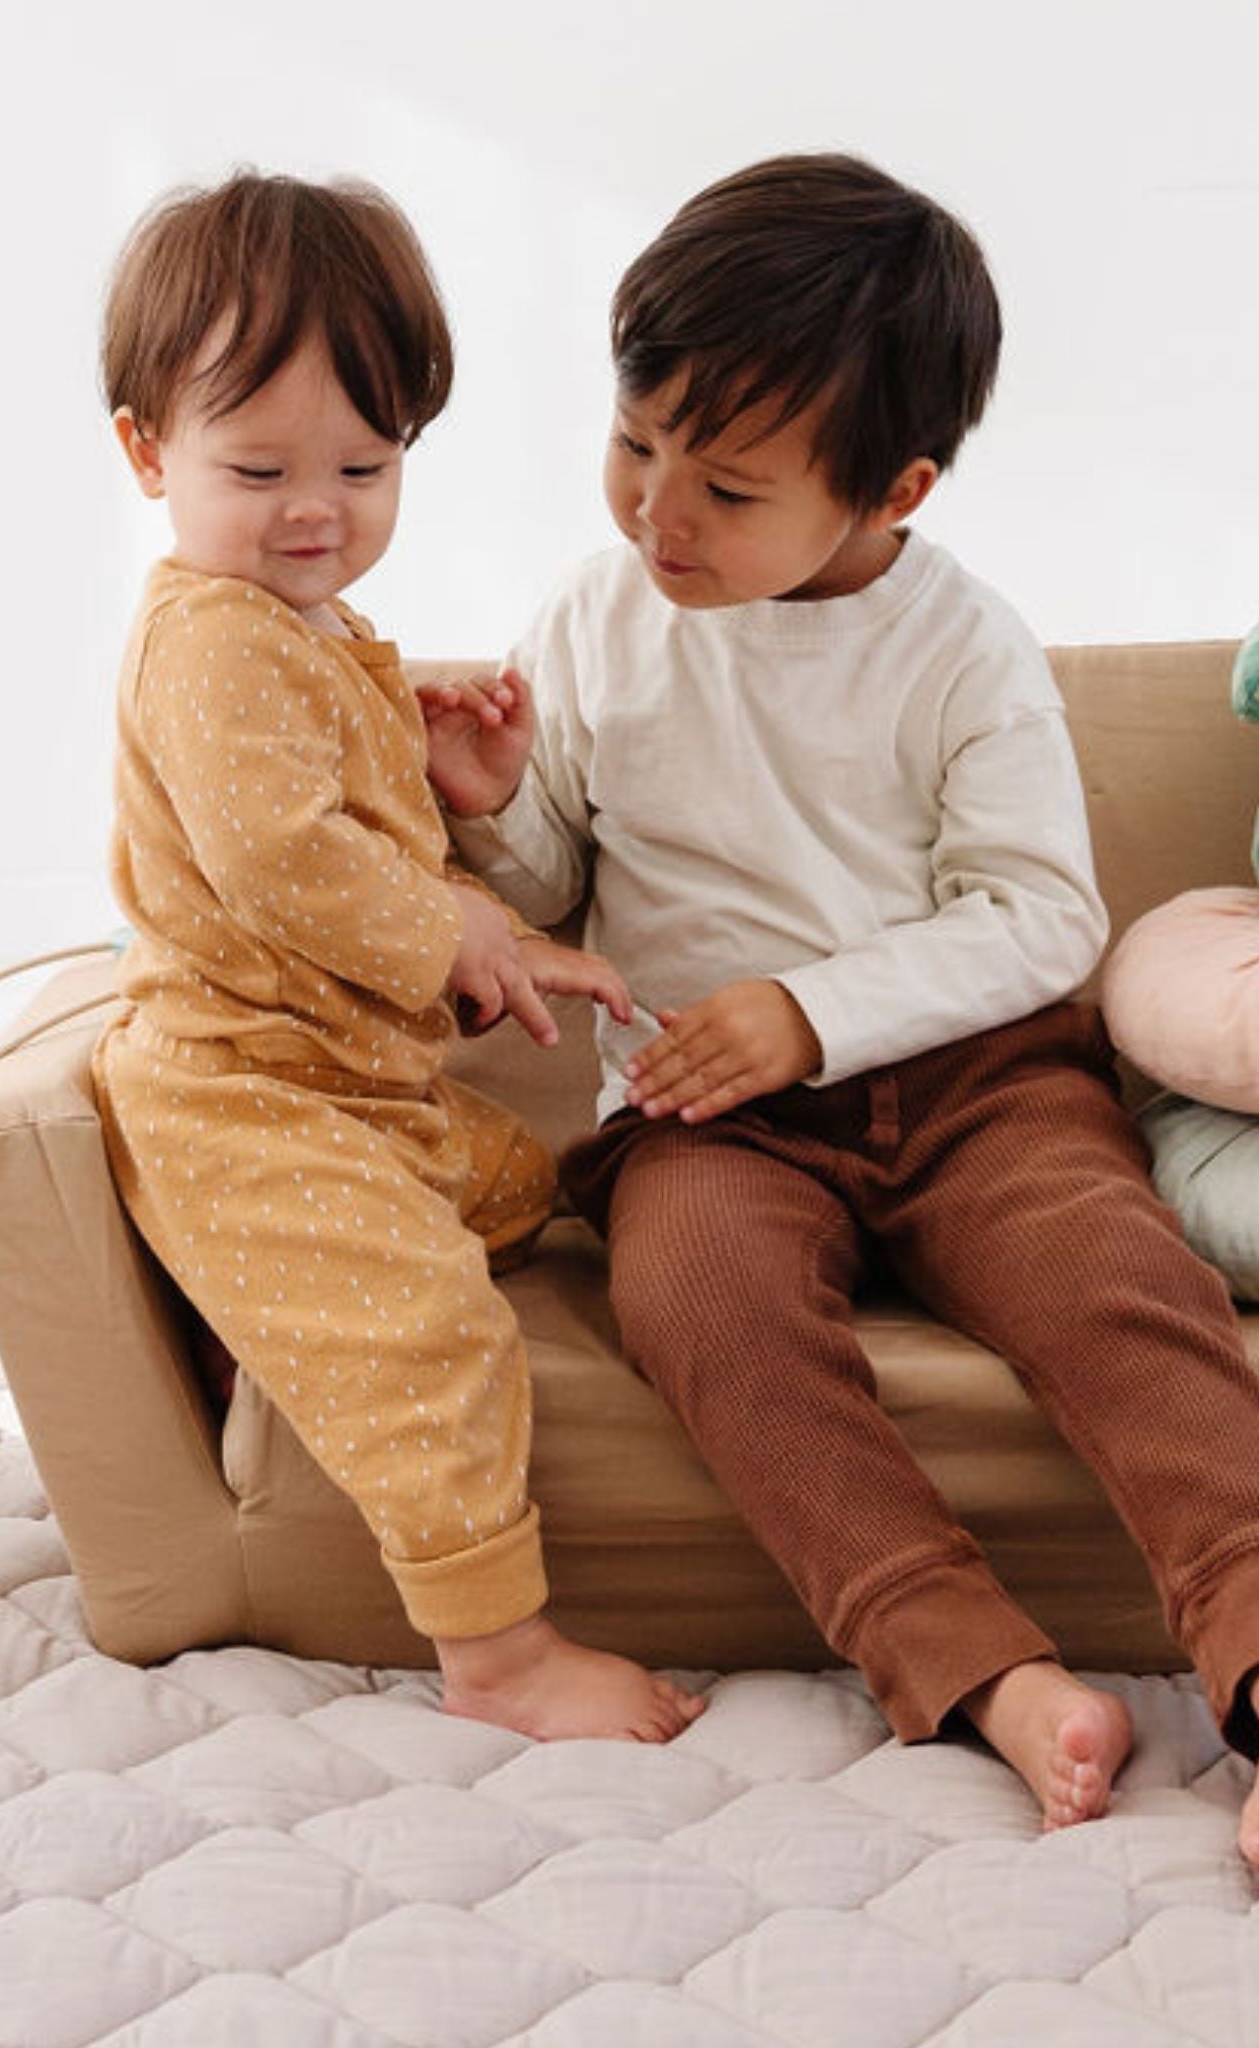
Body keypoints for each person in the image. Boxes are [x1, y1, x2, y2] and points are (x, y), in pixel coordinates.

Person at [426, 151, 1259, 1854]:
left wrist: (811, 1012)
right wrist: (492, 811)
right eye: (634, 446)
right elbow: (537, 911)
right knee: (703, 1306)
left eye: (725, 489)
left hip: (978, 1093)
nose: (659, 514)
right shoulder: (597, 621)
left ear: (895, 494)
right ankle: (984, 1674)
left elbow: (1039, 917)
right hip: (700, 1122)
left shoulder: (963, 649)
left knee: (1123, 1288)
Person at [90, 168, 706, 1742]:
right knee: (429, 1327)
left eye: (366, 465)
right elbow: (283, 857)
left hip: (363, 1088)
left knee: (532, 1192)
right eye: (261, 466)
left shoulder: (312, 631)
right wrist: (465, 922)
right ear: (147, 451)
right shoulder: (213, 633)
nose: (318, 508)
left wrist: (439, 780)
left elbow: (329, 794)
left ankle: (257, 1317)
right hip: (250, 1094)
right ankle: (497, 1656)